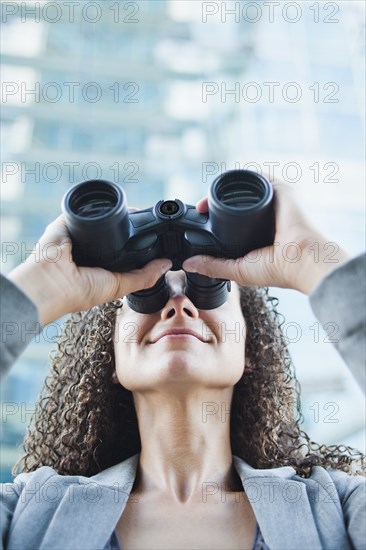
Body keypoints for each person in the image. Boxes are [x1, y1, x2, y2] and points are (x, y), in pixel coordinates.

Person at [0, 180, 365, 550]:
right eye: (145, 294)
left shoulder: (339, 508)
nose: (179, 305)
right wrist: (43, 281)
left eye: (210, 289)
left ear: (249, 349)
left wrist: (311, 257)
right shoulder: (27, 511)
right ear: (110, 356)